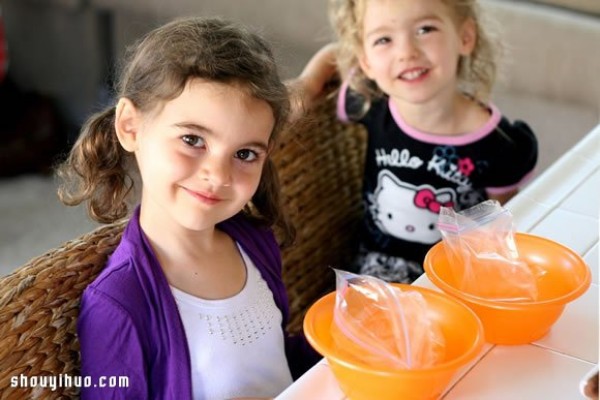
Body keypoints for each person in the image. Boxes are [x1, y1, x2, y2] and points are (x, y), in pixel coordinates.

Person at [57, 17, 320, 400]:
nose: (218, 174)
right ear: (130, 126)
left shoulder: (255, 241)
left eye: (244, 153)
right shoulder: (119, 304)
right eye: (193, 139)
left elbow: (272, 361)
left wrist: (336, 342)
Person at [293, 0, 538, 283]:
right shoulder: (370, 102)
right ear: (366, 62)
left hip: (458, 275)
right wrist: (308, 83)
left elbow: (504, 229)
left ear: (465, 38)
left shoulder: (499, 145)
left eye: (425, 29)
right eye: (384, 39)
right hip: (378, 273)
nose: (406, 52)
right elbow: (335, 55)